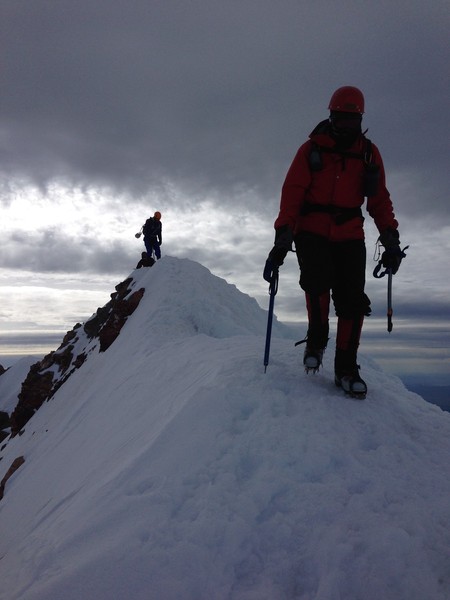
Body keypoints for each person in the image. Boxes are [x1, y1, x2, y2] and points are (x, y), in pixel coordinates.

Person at [264, 86, 404, 398]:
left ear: (360, 119)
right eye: (341, 118)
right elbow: (294, 191)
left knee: (351, 301)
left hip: (350, 234)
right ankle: (316, 339)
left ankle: (346, 368)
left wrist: (390, 237)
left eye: (351, 119)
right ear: (331, 115)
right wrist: (284, 231)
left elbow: (379, 199)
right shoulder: (311, 149)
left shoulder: (368, 154)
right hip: (311, 230)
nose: (346, 124)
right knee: (316, 283)